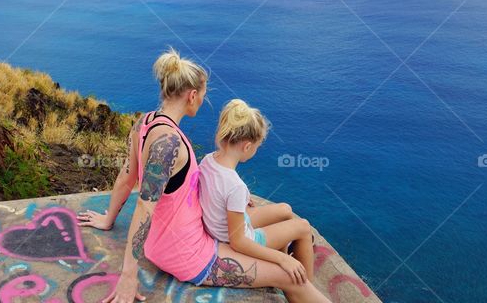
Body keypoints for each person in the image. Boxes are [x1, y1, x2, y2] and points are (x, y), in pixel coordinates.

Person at [78, 48, 330, 303]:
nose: (203, 100)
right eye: (204, 95)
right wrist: (128, 275)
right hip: (191, 254)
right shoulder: (170, 143)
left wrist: (109, 218)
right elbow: (145, 205)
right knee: (291, 277)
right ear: (192, 95)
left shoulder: (145, 122)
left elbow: (126, 176)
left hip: (164, 243)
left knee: (280, 216)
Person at [199, 99, 316, 285]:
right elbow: (238, 242)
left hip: (222, 226)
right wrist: (282, 259)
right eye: (257, 146)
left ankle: (285, 250)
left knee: (285, 209)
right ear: (247, 146)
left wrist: (239, 202)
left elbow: (215, 193)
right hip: (241, 240)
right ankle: (305, 286)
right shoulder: (236, 186)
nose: (256, 150)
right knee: (303, 227)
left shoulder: (207, 161)